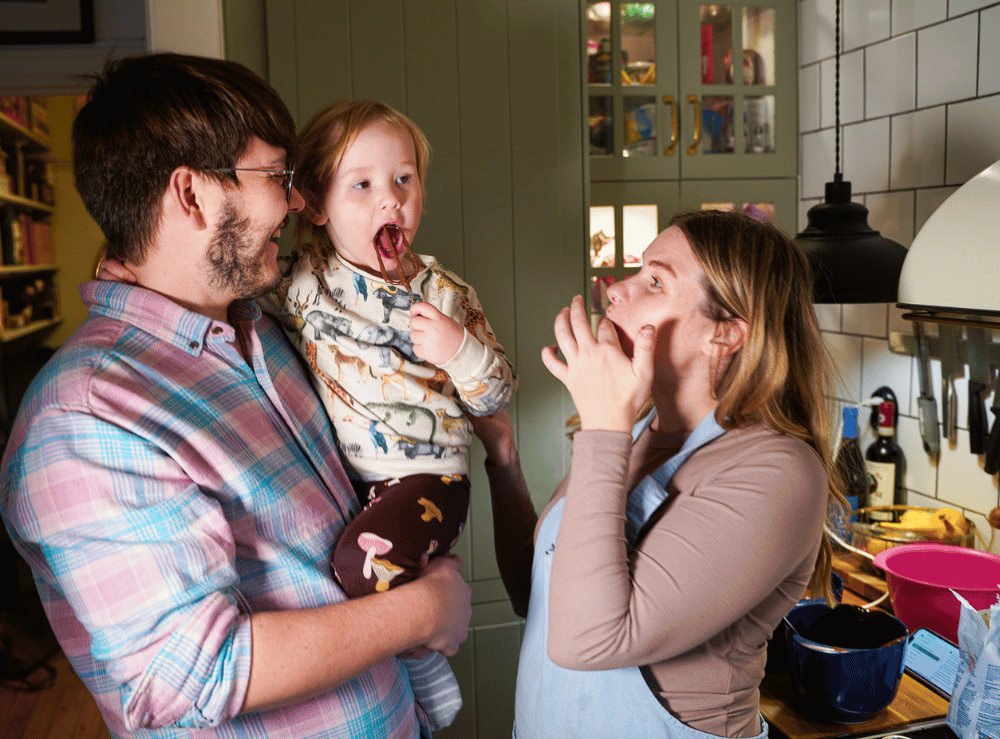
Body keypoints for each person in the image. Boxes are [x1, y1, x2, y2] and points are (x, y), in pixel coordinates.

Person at [0, 53, 471, 739]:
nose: (298, 201)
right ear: (191, 194)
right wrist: (423, 611)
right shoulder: (88, 416)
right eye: (278, 176)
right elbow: (198, 673)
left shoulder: (263, 331)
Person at [472, 210, 843, 739]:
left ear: (725, 334)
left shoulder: (779, 473)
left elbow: (586, 640)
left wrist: (602, 428)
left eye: (654, 281)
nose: (616, 290)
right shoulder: (639, 432)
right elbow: (539, 597)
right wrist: (503, 455)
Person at [274, 100, 516, 730]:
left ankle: (426, 675)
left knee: (361, 567)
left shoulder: (444, 294)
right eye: (362, 185)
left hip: (429, 479)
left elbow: (496, 394)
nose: (390, 200)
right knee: (327, 575)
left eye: (404, 180)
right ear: (318, 206)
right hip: (349, 480)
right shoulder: (305, 282)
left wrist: (459, 351)